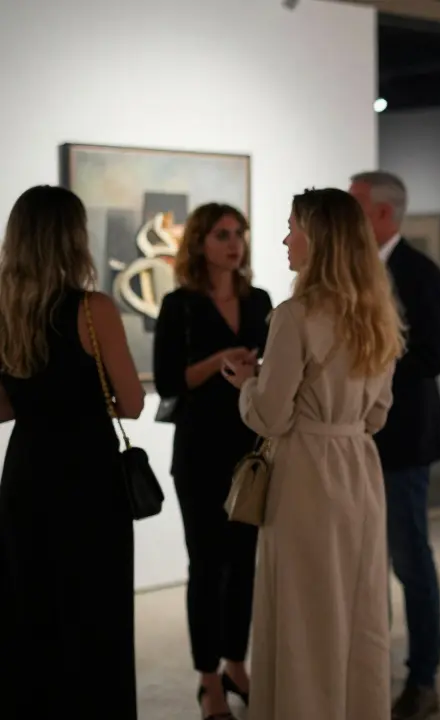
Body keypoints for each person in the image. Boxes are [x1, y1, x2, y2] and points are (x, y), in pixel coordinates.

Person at [222, 188, 401, 720]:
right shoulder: (377, 314)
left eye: (292, 227)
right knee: (358, 608)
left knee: (304, 613)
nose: (284, 238)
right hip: (359, 469)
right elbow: (377, 415)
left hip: (305, 474)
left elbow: (270, 416)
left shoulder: (294, 316)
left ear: (317, 238)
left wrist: (246, 384)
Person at [0, 185, 145, 718]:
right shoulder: (93, 309)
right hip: (87, 479)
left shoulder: (6, 310)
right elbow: (130, 403)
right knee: (94, 616)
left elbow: (3, 408)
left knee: (28, 612)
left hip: (25, 475)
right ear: (71, 239)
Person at [154, 202, 273, 719]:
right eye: (223, 234)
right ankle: (208, 679)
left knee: (244, 564)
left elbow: (275, 368)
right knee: (206, 566)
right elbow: (167, 381)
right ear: (200, 241)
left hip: (248, 449)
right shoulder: (179, 305)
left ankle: (236, 664)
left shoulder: (261, 299)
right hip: (199, 451)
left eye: (239, 234)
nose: (234, 243)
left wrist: (255, 367)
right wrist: (219, 361)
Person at [349, 171, 440, 719]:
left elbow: (431, 355)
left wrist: (364, 362)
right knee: (365, 563)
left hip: (403, 440)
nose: (346, 214)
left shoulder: (418, 272)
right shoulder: (356, 271)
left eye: (354, 204)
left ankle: (423, 678)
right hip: (356, 439)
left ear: (383, 214)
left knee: (411, 561)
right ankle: (369, 668)